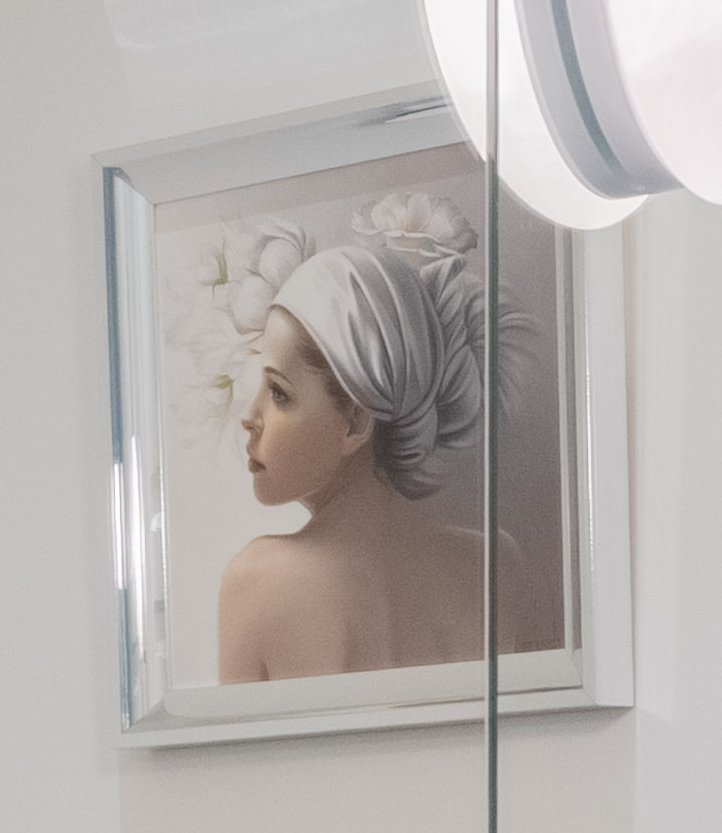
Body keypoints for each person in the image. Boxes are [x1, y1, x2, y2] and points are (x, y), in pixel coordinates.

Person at [218, 209, 508, 678]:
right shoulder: (493, 564)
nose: (250, 419)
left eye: (279, 393)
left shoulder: (255, 580)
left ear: (354, 422)